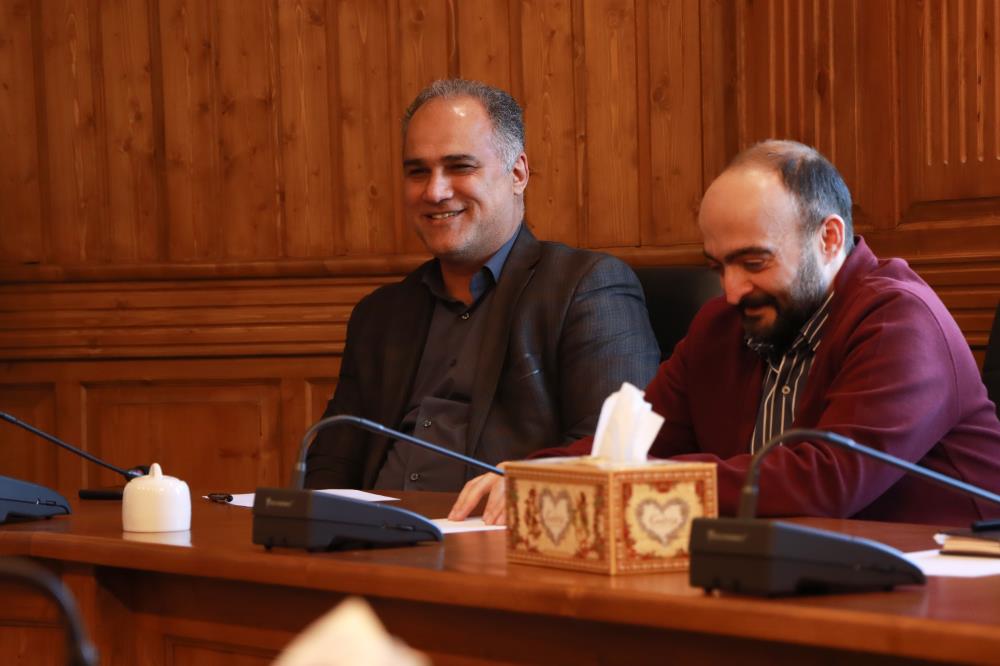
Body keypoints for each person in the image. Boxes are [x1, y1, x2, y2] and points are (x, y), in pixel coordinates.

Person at [451, 139, 1000, 526]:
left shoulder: (901, 320)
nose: (732, 290)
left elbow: (824, 481)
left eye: (754, 262)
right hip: (785, 572)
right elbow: (640, 441)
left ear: (829, 239)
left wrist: (625, 481)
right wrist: (538, 474)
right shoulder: (722, 324)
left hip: (946, 595)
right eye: (719, 267)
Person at [305, 79, 660, 491]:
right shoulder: (380, 314)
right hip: (375, 527)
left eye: (460, 167)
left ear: (518, 173)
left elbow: (613, 451)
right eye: (418, 172)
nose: (435, 191)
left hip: (503, 525)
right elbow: (333, 459)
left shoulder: (585, 288)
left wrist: (525, 487)